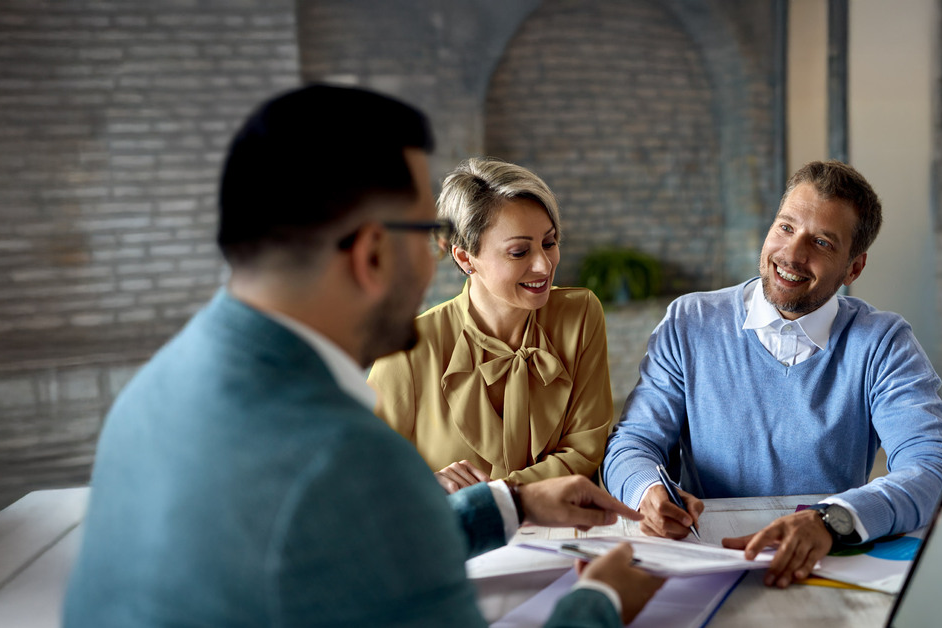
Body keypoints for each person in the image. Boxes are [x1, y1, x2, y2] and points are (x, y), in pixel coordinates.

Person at [63, 84, 662, 627]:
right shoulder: (348, 459)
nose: (434, 258)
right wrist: (602, 602)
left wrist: (511, 503)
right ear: (373, 253)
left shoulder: (157, 386)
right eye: (426, 233)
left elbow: (345, 549)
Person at [602, 160, 942, 589]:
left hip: (820, 565)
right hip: (703, 559)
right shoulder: (690, 321)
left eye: (823, 242)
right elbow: (632, 442)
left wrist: (833, 521)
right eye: (786, 228)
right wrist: (646, 491)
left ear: (854, 268)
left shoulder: (883, 343)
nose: (792, 254)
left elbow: (936, 467)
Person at [368, 158, 613, 493]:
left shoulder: (580, 315)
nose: (544, 264)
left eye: (550, 242)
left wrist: (492, 496)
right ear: (466, 258)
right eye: (518, 252)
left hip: (560, 537)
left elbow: (585, 449)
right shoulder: (406, 348)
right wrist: (428, 485)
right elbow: (363, 474)